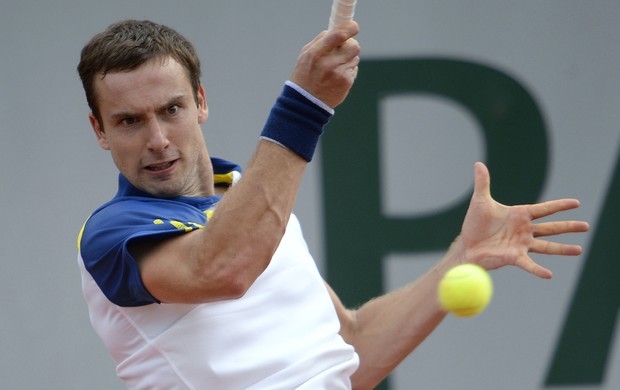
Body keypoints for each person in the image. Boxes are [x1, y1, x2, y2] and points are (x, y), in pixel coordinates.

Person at [76, 19, 588, 389]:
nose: (159, 139)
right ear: (100, 130)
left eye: (172, 109)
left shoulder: (245, 202)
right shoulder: (112, 233)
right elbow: (224, 269)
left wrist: (463, 256)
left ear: (201, 102)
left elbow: (353, 348)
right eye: (129, 121)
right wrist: (304, 104)